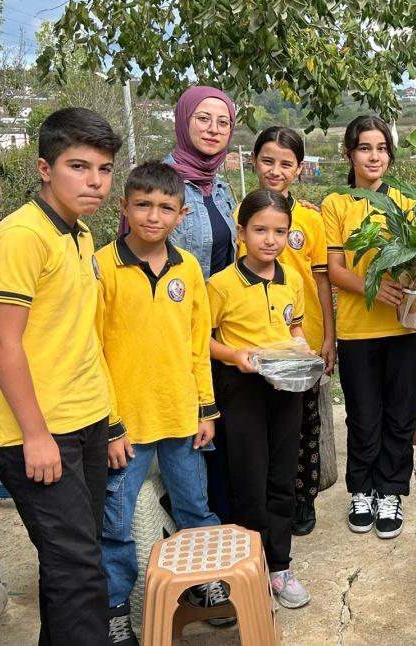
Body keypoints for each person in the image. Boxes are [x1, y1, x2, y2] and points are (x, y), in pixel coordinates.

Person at [0, 107, 121, 645]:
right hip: (37, 430)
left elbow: (75, 336)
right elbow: (3, 342)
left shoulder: (78, 234)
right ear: (44, 167)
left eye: (104, 170)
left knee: (74, 562)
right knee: (78, 567)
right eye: (78, 166)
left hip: (84, 418)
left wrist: (108, 421)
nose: (94, 182)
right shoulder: (21, 238)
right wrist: (36, 436)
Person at [95, 162, 228, 645]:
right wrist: (110, 426)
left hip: (179, 419)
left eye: (165, 207)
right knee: (117, 528)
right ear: (124, 207)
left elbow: (198, 346)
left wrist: (206, 410)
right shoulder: (101, 267)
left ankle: (206, 587)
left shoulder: (188, 269)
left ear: (181, 213)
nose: (154, 216)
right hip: (126, 428)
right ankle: (114, 611)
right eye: (143, 205)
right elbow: (91, 352)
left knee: (196, 507)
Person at [322, 115, 416, 540]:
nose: (374, 156)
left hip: (404, 329)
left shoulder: (407, 200)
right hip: (357, 330)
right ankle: (361, 490)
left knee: (401, 415)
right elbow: (333, 269)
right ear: (349, 154)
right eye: (365, 148)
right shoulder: (336, 203)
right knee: (363, 417)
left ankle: (391, 492)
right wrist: (372, 284)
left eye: (382, 148)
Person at [208, 188, 312, 609]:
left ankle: (280, 565)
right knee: (248, 480)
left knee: (282, 477)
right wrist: (235, 355)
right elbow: (200, 341)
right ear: (241, 233)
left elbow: (296, 328)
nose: (270, 240)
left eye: (280, 231)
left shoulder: (293, 281)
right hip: (243, 390)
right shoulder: (221, 285)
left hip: (286, 387)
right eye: (260, 230)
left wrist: (302, 348)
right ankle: (251, 569)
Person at [250, 126, 335, 536]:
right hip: (259, 342)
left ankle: (304, 500)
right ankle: (268, 499)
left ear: (299, 169)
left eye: (286, 163)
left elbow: (322, 281)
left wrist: (328, 337)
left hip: (303, 339)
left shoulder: (311, 220)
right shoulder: (243, 214)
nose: (276, 170)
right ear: (254, 162)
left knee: (305, 426)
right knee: (267, 426)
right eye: (268, 161)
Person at [164, 85, 240, 527]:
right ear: (184, 120)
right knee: (189, 438)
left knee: (216, 431)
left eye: (223, 122)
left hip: (219, 329)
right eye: (203, 119)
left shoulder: (220, 186)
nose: (213, 130)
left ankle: (221, 527)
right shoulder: (163, 182)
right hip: (177, 331)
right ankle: (191, 532)